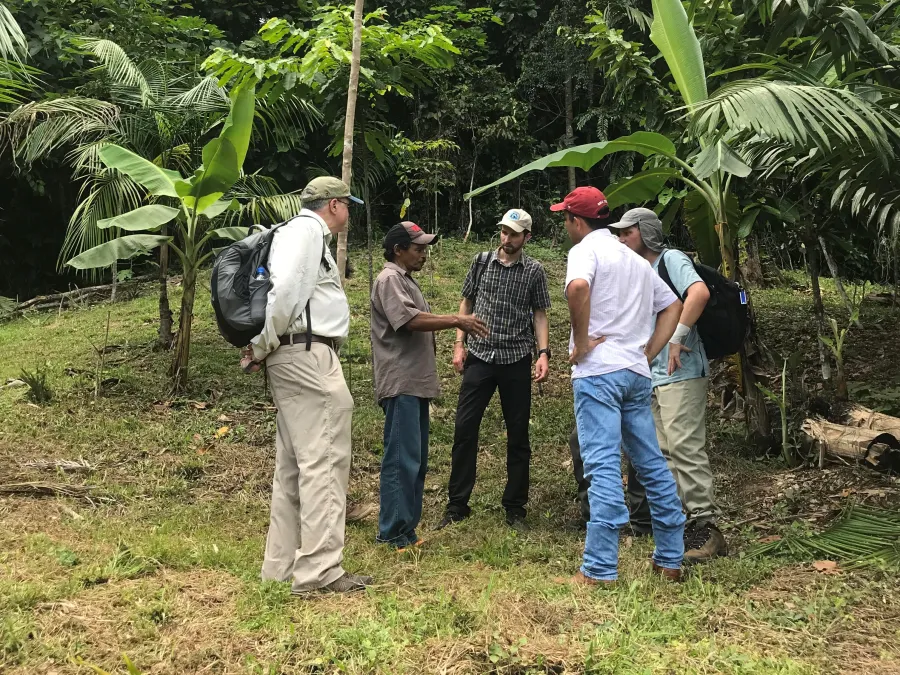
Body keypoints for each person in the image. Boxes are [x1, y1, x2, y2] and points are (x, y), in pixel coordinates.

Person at [244, 176, 373, 595]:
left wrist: (265, 347)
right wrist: (261, 345)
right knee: (325, 459)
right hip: (307, 353)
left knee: (293, 465)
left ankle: (281, 567)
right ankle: (319, 571)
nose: (348, 212)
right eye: (347, 204)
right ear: (334, 205)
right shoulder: (306, 232)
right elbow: (284, 295)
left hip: (295, 352)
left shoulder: (294, 233)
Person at [556, 186, 687, 584]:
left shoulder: (586, 250)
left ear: (576, 221)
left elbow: (578, 288)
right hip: (634, 374)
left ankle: (599, 568)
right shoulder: (634, 259)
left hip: (599, 373)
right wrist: (647, 353)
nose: (566, 226)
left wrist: (581, 342)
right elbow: (673, 305)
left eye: (565, 219)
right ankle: (670, 559)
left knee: (602, 466)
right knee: (651, 464)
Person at [615, 208, 727, 562]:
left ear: (646, 233)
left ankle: (706, 526)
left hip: (682, 371)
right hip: (654, 374)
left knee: (684, 447)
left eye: (628, 232)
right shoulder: (638, 270)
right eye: (619, 233)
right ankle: (681, 526)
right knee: (662, 451)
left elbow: (698, 293)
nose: (621, 238)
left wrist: (677, 337)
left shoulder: (671, 259)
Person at [371, 222, 488, 550]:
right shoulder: (390, 279)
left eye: (425, 248)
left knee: (415, 459)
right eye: (418, 248)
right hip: (401, 382)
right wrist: (457, 320)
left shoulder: (404, 279)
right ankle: (393, 532)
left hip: (414, 382)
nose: (424, 254)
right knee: (401, 458)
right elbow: (409, 320)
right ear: (398, 250)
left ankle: (405, 530)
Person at [435, 209, 552, 532]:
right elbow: (466, 303)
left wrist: (543, 353)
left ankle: (515, 507)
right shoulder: (481, 262)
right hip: (481, 356)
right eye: (504, 232)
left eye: (514, 234)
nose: (507, 238)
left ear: (527, 237)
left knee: (518, 435)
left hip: (516, 358)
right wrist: (459, 344)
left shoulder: (534, 271)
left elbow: (540, 313)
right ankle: (457, 504)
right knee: (464, 429)